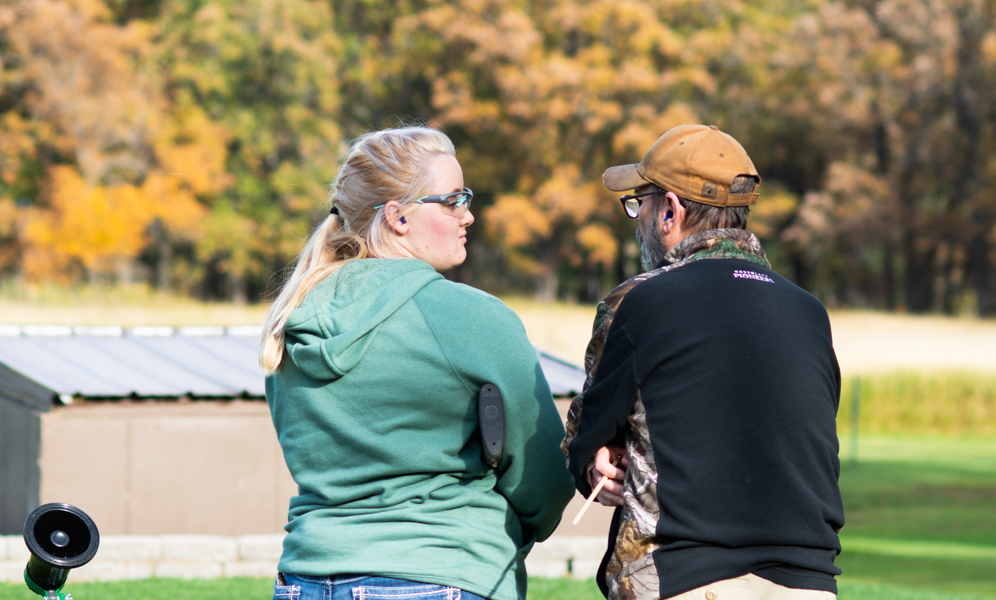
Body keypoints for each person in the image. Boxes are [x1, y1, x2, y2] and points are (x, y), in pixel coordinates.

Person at [260, 126, 574, 600]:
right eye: (453, 201)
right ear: (399, 217)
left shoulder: (293, 319)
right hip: (441, 572)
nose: (469, 215)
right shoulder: (471, 318)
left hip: (306, 579)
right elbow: (545, 477)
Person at [562, 124, 845, 600]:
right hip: (809, 583)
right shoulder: (809, 312)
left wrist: (594, 459)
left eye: (640, 202)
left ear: (669, 210)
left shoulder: (638, 302)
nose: (638, 218)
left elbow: (588, 430)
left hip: (683, 576)